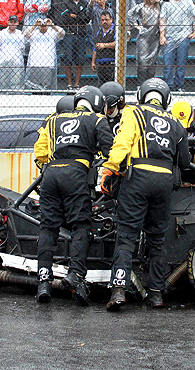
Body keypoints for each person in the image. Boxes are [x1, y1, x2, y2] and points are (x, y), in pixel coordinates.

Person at [103, 78, 190, 310]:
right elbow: (185, 161)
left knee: (127, 236)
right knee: (157, 239)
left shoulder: (133, 113)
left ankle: (118, 290)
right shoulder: (176, 123)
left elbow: (122, 142)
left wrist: (110, 167)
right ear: (166, 99)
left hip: (137, 178)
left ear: (142, 95)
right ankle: (156, 294)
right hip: (163, 181)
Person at [34, 86, 114, 304]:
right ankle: (76, 276)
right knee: (81, 226)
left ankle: (43, 282)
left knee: (48, 227)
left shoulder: (53, 120)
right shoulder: (97, 119)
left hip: (50, 174)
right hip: (76, 173)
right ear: (96, 102)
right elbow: (110, 151)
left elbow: (40, 152)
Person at [160, 0, 195, 92]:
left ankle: (179, 86)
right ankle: (168, 87)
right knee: (168, 65)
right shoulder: (167, 3)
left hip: (183, 36)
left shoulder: (188, 1)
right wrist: (162, 35)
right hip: (169, 36)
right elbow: (163, 19)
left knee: (181, 64)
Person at [128, 0, 162, 84]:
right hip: (144, 36)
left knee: (152, 62)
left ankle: (150, 83)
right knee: (143, 61)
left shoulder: (161, 5)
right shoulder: (142, 6)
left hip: (155, 36)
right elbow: (130, 14)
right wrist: (137, 26)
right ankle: (140, 84)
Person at [24, 17, 65, 90]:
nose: (43, 28)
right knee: (35, 87)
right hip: (35, 64)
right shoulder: (34, 33)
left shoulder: (52, 33)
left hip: (48, 64)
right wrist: (35, 25)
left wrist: (52, 25)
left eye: (45, 26)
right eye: (41, 26)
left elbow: (62, 33)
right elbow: (25, 34)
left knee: (47, 88)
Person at [0, 14, 26, 89]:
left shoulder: (20, 34)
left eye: (15, 22)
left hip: (17, 62)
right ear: (8, 22)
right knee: (3, 83)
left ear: (17, 23)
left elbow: (22, 49)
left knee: (15, 83)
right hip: (3, 62)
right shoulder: (1, 33)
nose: (13, 24)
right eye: (11, 22)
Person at [91, 10, 116, 84]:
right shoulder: (99, 31)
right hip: (100, 64)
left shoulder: (115, 30)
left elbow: (118, 44)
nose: (104, 22)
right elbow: (95, 48)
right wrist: (93, 62)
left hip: (111, 63)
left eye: (106, 20)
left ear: (111, 19)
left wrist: (104, 45)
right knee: (101, 85)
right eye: (102, 20)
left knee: (111, 85)